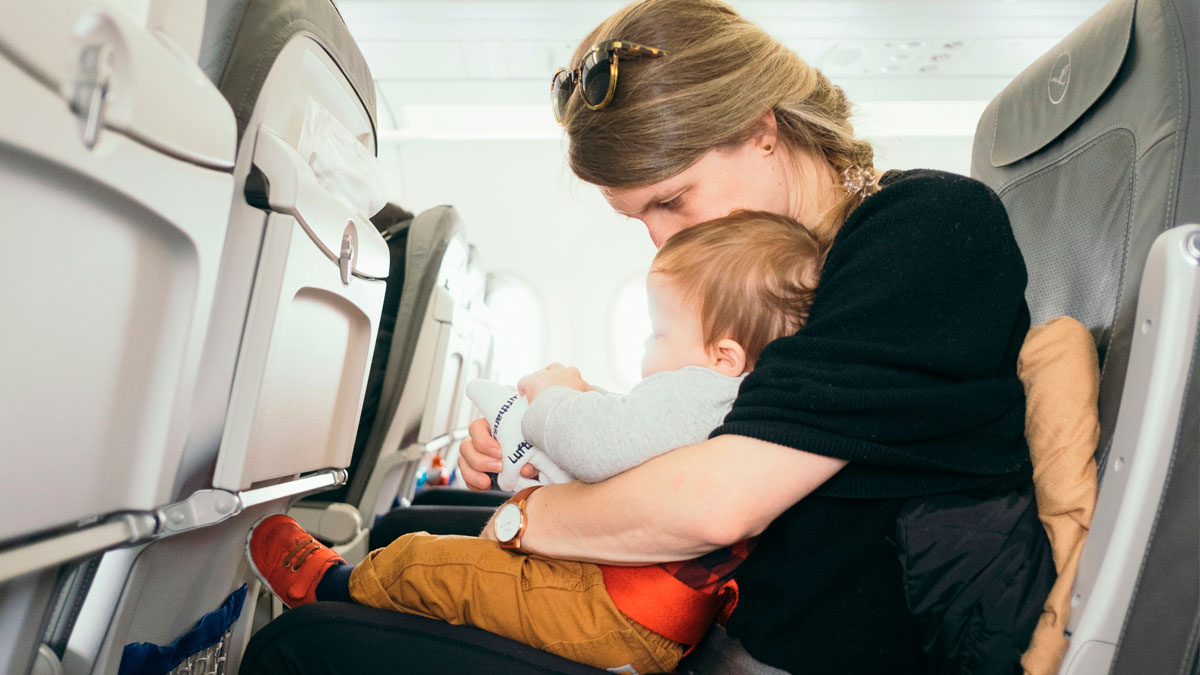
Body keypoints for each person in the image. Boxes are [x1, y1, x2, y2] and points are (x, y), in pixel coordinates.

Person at [241, 1, 1053, 673]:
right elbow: (725, 427)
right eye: (639, 218)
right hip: (703, 629)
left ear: (763, 129)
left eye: (672, 199)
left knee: (303, 651)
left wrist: (532, 514)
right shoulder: (774, 271)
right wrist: (549, 434)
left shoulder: (925, 229)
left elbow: (715, 501)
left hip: (776, 654)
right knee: (391, 543)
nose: (662, 242)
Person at [245, 211, 825, 674]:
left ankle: (333, 586)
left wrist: (553, 397)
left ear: (724, 355)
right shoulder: (739, 397)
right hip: (641, 618)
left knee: (432, 561)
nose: (649, 350)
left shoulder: (703, 389)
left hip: (611, 609)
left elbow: (601, 444)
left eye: (658, 333)